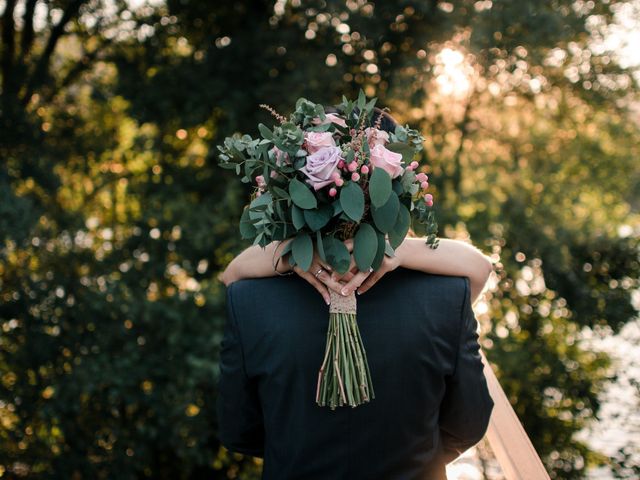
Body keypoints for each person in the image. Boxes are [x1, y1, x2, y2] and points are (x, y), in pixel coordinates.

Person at [216, 234, 495, 479]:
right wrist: (420, 453)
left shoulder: (247, 299)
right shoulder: (446, 296)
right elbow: (468, 423)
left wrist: (289, 450)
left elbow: (238, 430)